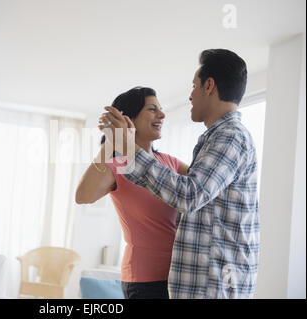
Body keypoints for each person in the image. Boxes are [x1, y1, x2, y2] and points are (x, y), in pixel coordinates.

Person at [100, 49, 260, 299]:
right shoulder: (216, 139)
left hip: (214, 287)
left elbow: (188, 195)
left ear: (209, 86)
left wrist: (129, 148)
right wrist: (116, 146)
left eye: (194, 86)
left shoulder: (230, 136)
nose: (190, 95)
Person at [75, 87, 189, 299]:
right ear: (129, 120)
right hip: (144, 280)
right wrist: (113, 140)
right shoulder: (121, 165)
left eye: (161, 109)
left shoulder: (169, 162)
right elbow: (82, 196)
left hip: (178, 276)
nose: (162, 115)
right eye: (152, 109)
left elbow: (203, 189)